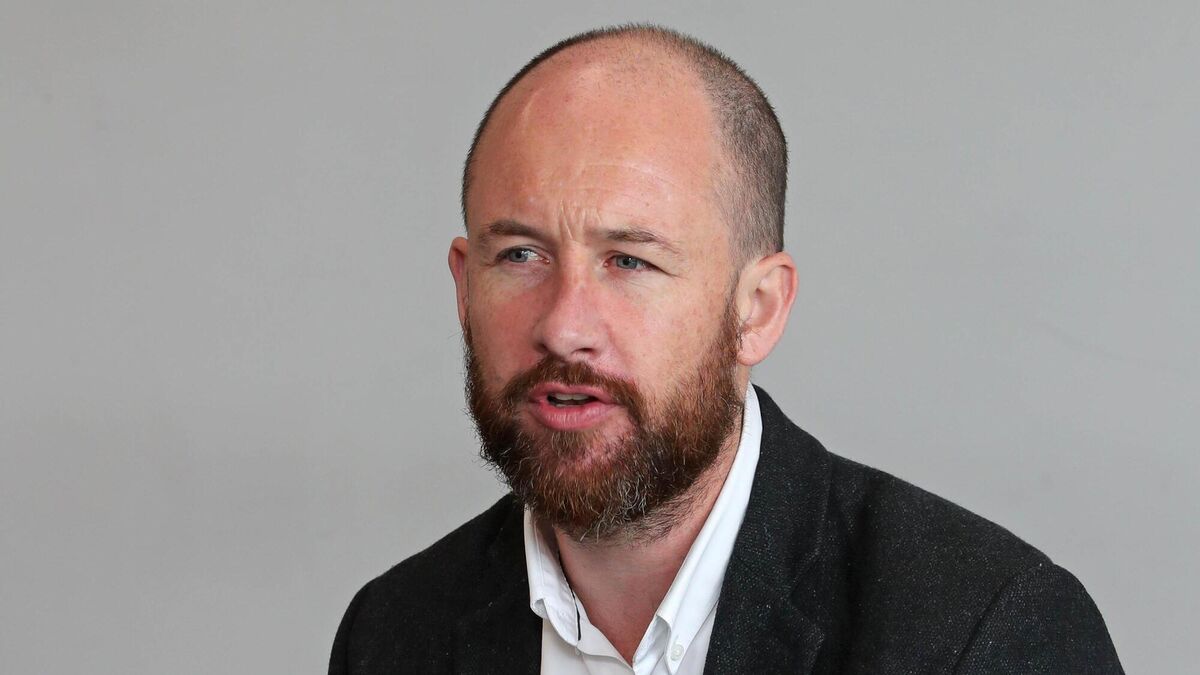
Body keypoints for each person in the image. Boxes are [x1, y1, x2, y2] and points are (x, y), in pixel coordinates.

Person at [329, 25, 1122, 674]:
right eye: (521, 255)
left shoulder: (983, 635)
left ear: (758, 310)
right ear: (464, 288)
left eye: (630, 261)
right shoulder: (391, 633)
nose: (565, 326)